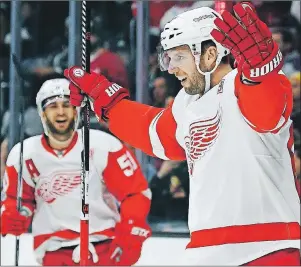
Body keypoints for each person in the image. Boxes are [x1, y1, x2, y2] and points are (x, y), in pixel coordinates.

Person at [64, 2, 300, 266]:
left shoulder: (245, 86)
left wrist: (260, 73)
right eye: (169, 58)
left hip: (267, 250)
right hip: (205, 252)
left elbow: (266, 108)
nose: (171, 68)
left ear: (209, 55)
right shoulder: (187, 103)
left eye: (179, 57)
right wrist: (107, 103)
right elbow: (153, 132)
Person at [0, 78, 152, 266]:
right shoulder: (24, 153)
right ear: (42, 113)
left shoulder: (103, 145)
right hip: (53, 249)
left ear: (77, 110)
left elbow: (135, 192)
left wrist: (131, 224)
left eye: (67, 105)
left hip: (104, 247)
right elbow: (16, 200)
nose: (61, 112)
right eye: (53, 106)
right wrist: (14, 214)